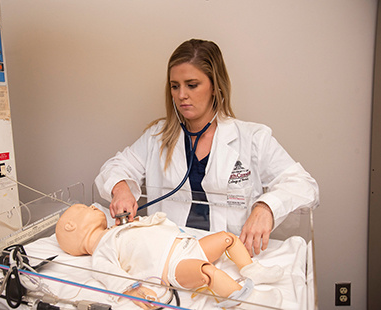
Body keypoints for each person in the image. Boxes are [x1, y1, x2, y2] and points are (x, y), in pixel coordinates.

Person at [94, 38, 319, 256]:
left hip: (230, 256)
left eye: (192, 85)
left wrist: (265, 208)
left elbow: (305, 186)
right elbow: (116, 167)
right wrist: (121, 188)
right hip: (170, 255)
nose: (182, 95)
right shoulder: (158, 136)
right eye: (175, 86)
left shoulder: (253, 138)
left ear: (215, 86)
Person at [55, 204, 284, 309]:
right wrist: (134, 289)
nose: (95, 207)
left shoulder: (117, 229)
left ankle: (251, 269)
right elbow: (110, 275)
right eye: (86, 208)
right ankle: (247, 300)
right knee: (207, 271)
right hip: (174, 265)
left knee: (227, 238)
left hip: (187, 245)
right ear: (70, 226)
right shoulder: (102, 251)